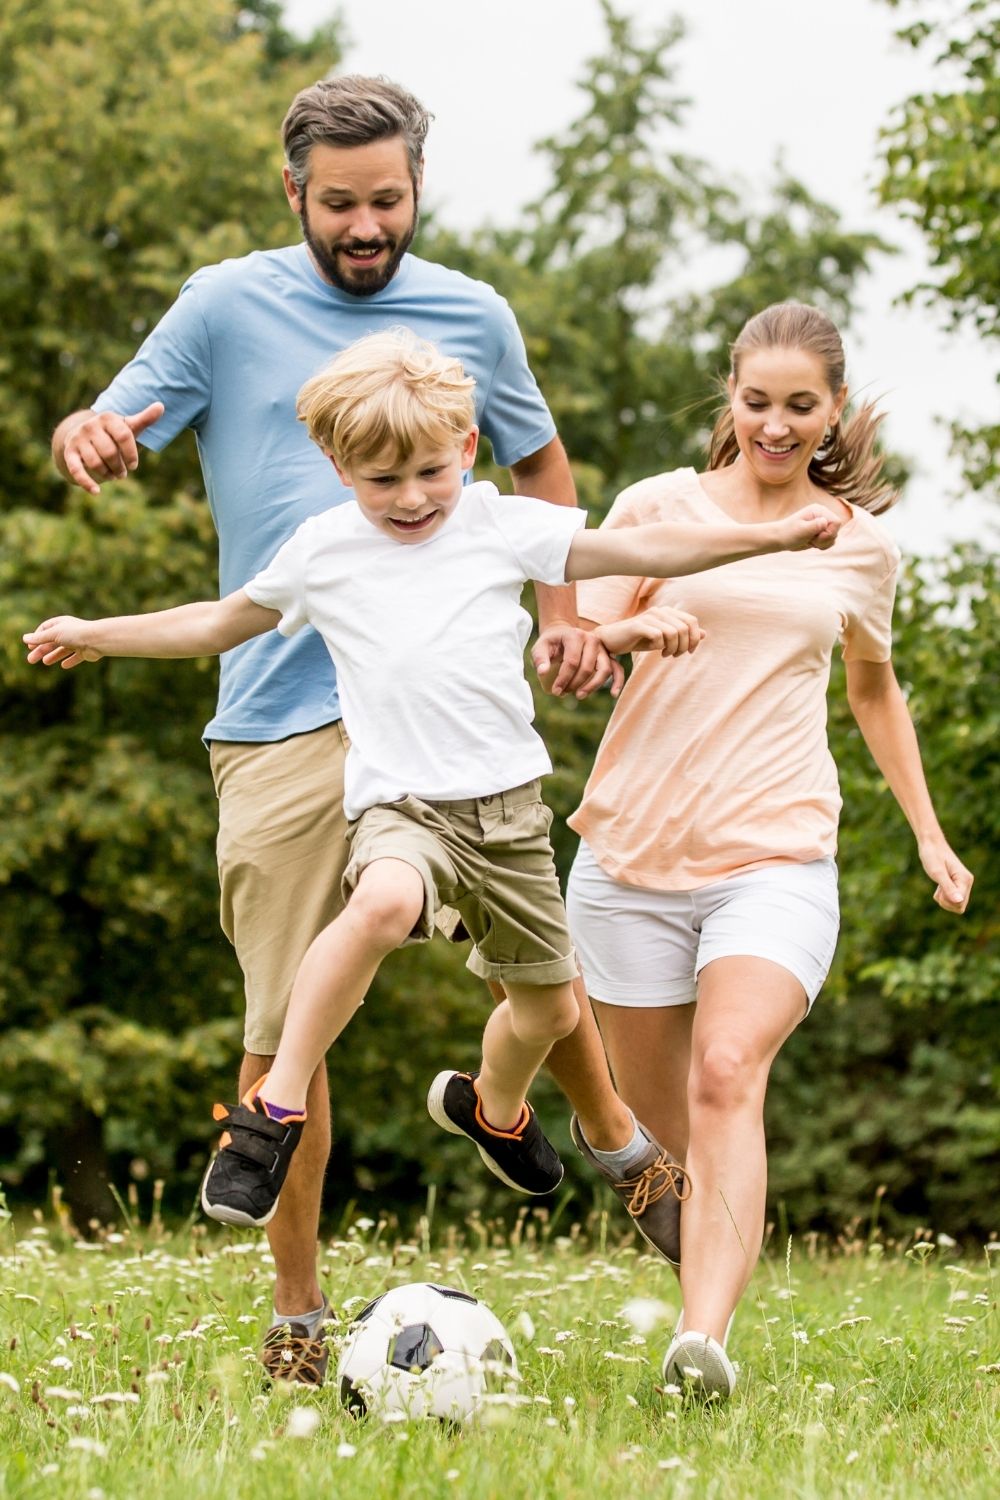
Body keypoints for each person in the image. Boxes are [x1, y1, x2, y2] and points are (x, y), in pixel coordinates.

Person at [48, 74, 679, 1384]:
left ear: (415, 188)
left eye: (386, 201)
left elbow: (539, 471)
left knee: (536, 967)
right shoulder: (224, 304)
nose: (364, 226)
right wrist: (91, 435)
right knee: (288, 1018)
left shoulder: (472, 316)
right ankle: (298, 1309)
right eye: (339, 205)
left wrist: (566, 616)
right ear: (295, 193)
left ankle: (613, 1143)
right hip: (279, 713)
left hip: (444, 700)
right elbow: (113, 419)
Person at [29, 329, 843, 1245]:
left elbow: (644, 551)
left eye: (428, 472)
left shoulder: (498, 523)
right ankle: (274, 1108)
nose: (411, 499)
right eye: (383, 482)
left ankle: (492, 1105)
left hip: (509, 819)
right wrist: (102, 631)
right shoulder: (323, 550)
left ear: (464, 450)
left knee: (548, 1009)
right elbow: (219, 623)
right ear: (337, 466)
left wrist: (770, 534)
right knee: (379, 903)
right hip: (402, 809)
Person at [563, 301, 974, 1401]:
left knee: (727, 1070)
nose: (776, 426)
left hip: (776, 852)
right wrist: (620, 633)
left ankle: (701, 1344)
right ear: (728, 399)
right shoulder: (657, 507)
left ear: (832, 408)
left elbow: (874, 691)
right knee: (665, 1146)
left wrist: (928, 834)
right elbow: (571, 641)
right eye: (757, 404)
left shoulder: (859, 545)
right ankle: (645, 1187)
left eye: (801, 407)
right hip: (631, 856)